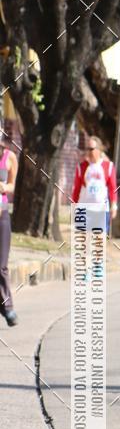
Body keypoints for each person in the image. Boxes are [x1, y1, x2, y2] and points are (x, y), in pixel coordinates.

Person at [71, 136, 118, 233]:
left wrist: (114, 205)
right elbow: (76, 189)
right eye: (86, 149)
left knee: (97, 244)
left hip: (101, 210)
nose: (88, 152)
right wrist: (73, 206)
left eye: (91, 149)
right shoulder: (81, 167)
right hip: (83, 210)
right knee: (81, 244)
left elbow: (113, 188)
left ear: (99, 150)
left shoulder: (108, 167)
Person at [0, 139, 19, 326]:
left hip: (2, 214)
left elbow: (13, 185)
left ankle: (7, 307)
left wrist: (5, 187)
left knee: (1, 265)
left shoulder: (9, 157)